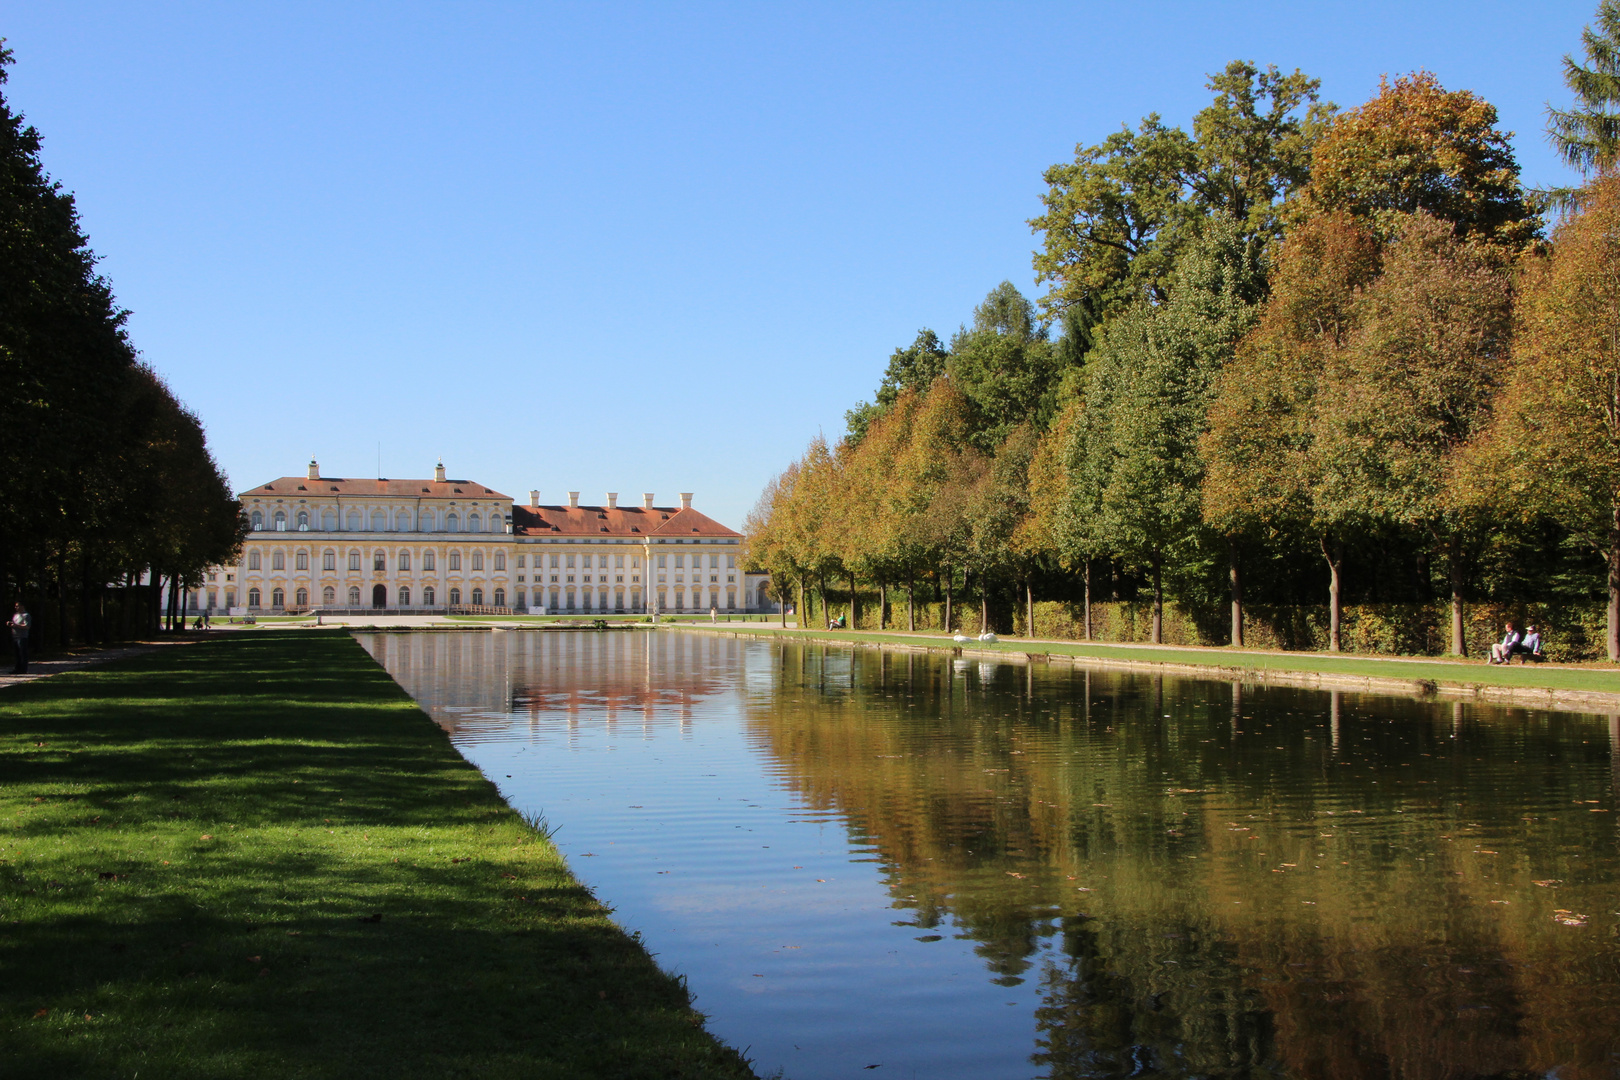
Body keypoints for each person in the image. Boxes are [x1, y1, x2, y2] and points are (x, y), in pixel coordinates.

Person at [10, 602, 30, 674]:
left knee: (22, 653)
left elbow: (27, 626)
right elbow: (14, 624)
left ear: (22, 606)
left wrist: (16, 626)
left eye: (17, 606)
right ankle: (17, 668)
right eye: (15, 606)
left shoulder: (26, 615)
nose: (16, 607)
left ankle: (23, 669)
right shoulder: (15, 615)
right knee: (17, 654)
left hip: (22, 637)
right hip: (15, 636)